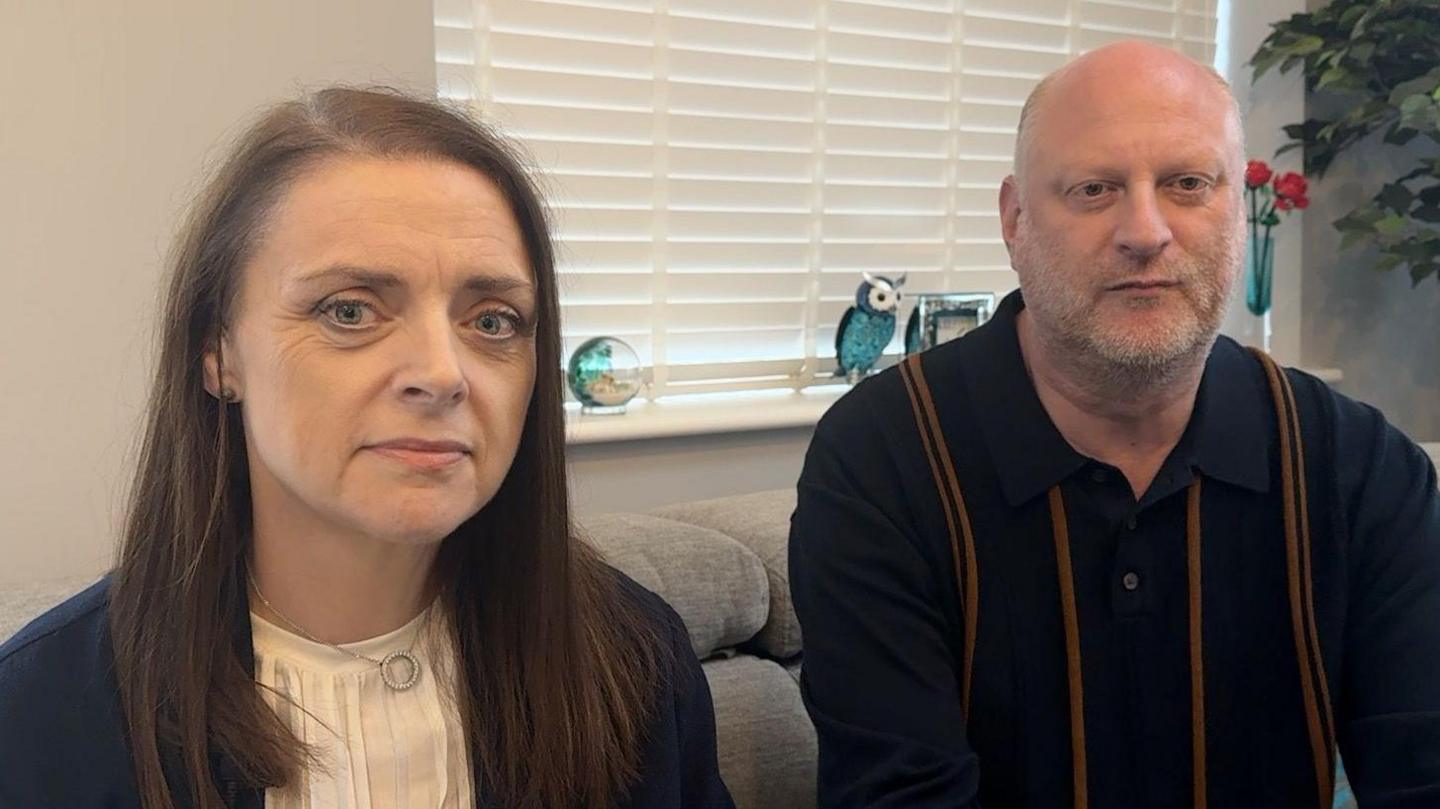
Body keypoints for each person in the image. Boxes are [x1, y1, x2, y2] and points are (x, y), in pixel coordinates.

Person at [0, 87, 734, 809]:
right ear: (218, 350)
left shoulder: (634, 659)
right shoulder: (39, 713)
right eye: (350, 310)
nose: (443, 374)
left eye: (493, 321)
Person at [789, 41, 1440, 808]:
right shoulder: (880, 463)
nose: (1145, 230)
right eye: (1095, 189)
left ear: (1235, 207)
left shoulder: (1357, 466)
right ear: (1014, 219)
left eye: (1187, 183)